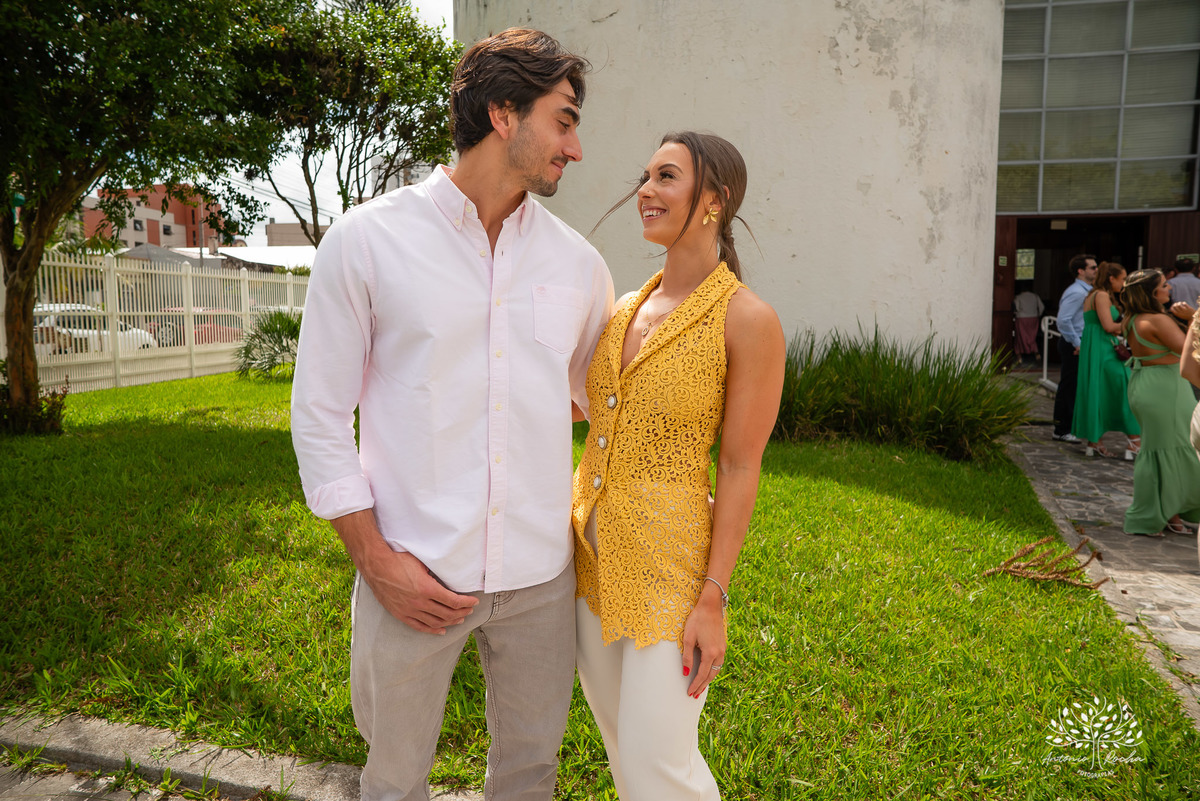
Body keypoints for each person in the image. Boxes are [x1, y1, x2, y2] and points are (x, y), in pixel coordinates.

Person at [290, 29, 614, 801]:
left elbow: (595, 400)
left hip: (541, 580)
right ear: (504, 113)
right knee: (395, 779)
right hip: (411, 572)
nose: (575, 147)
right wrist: (375, 560)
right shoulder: (367, 242)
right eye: (563, 120)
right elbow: (319, 417)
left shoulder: (579, 264)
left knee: (531, 776)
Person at [571, 132, 785, 800]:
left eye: (667, 176)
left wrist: (713, 597)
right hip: (588, 560)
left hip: (672, 572)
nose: (646, 190)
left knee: (658, 764)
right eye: (646, 175)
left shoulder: (747, 318)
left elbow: (741, 466)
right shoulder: (623, 308)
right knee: (623, 755)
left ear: (714, 200)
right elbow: (591, 410)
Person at [1120, 269, 1200, 537]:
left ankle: (1170, 514)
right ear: (1154, 293)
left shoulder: (1132, 318)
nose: (1170, 289)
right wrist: (1193, 319)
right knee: (1175, 448)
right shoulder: (1157, 319)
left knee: (1162, 449)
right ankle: (1153, 515)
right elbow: (1190, 350)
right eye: (1165, 285)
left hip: (1145, 383)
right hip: (1166, 389)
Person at [1071, 262, 1140, 459]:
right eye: (1123, 279)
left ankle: (1095, 442)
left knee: (1099, 391)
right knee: (1125, 385)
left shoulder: (1095, 295)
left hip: (1098, 348)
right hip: (1103, 349)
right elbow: (1109, 326)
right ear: (1112, 278)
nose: (1125, 283)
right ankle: (1134, 441)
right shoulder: (1100, 295)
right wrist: (1134, 321)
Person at [1053, 254, 1098, 442]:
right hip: (1074, 344)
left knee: (1076, 385)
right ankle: (1062, 429)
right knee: (1069, 385)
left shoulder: (1088, 291)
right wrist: (1077, 343)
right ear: (1081, 271)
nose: (1096, 270)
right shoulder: (1077, 292)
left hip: (1080, 342)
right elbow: (1063, 321)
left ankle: (1070, 426)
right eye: (1092, 267)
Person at [1013, 281, 1044, 365]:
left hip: (1021, 318)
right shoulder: (1035, 296)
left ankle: (1019, 357)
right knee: (1032, 337)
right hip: (1033, 318)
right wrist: (1038, 314)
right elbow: (1041, 307)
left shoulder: (1019, 297)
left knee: (1020, 337)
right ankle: (1036, 353)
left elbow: (1017, 308)